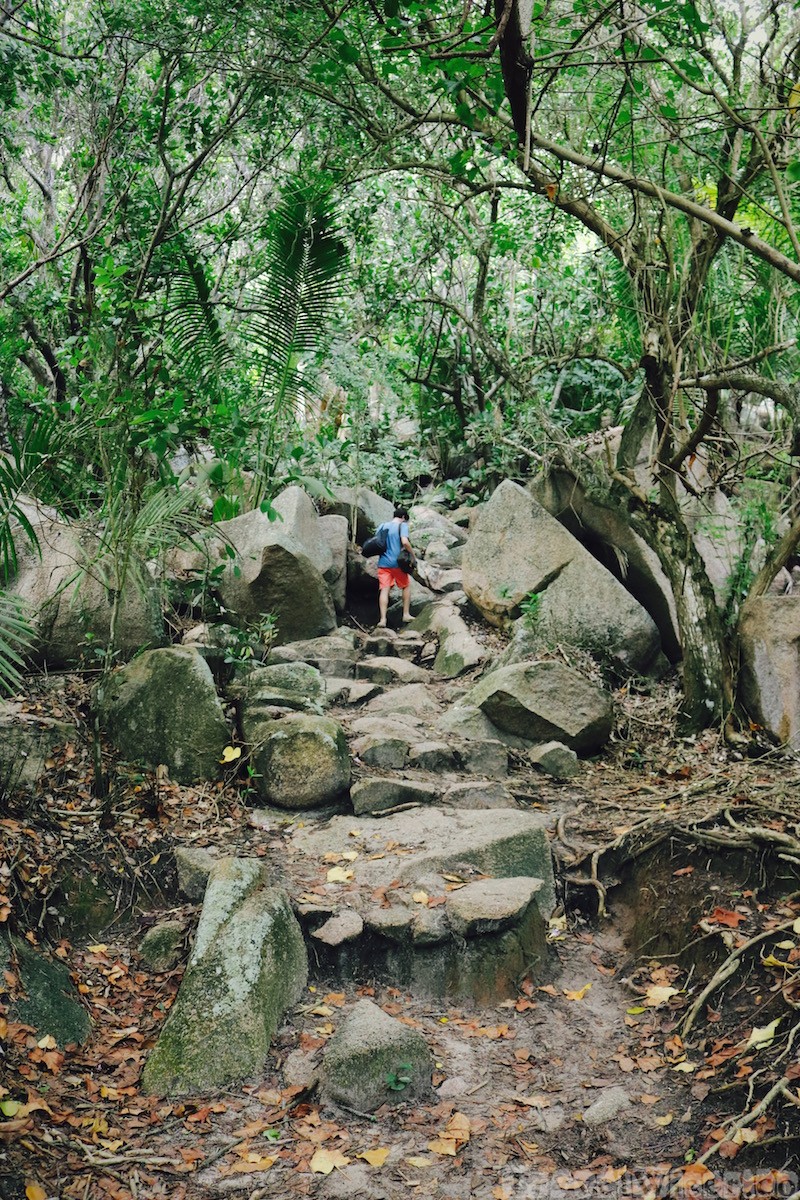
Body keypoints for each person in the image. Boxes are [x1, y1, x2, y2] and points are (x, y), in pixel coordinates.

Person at [377, 505, 413, 627]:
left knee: (384, 589)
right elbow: (405, 541)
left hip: (383, 563)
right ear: (403, 517)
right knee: (406, 586)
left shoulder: (382, 526)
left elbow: (377, 542)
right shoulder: (402, 525)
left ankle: (382, 620)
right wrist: (412, 554)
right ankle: (406, 614)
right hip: (397, 563)